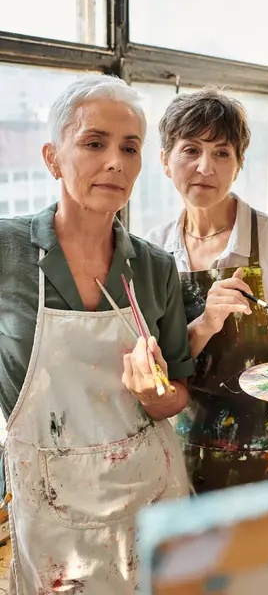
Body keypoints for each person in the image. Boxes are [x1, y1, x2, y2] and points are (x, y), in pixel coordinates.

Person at [0, 74, 194, 594]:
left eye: (129, 148)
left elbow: (178, 392)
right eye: (93, 143)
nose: (115, 161)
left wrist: (156, 397)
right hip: (53, 516)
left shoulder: (153, 267)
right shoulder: (7, 252)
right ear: (52, 157)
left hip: (150, 497)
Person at [146, 88, 268, 493]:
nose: (205, 166)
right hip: (179, 452)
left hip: (267, 457)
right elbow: (154, 367)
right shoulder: (154, 250)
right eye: (191, 150)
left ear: (238, 165)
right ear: (165, 161)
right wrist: (204, 323)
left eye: (222, 153)